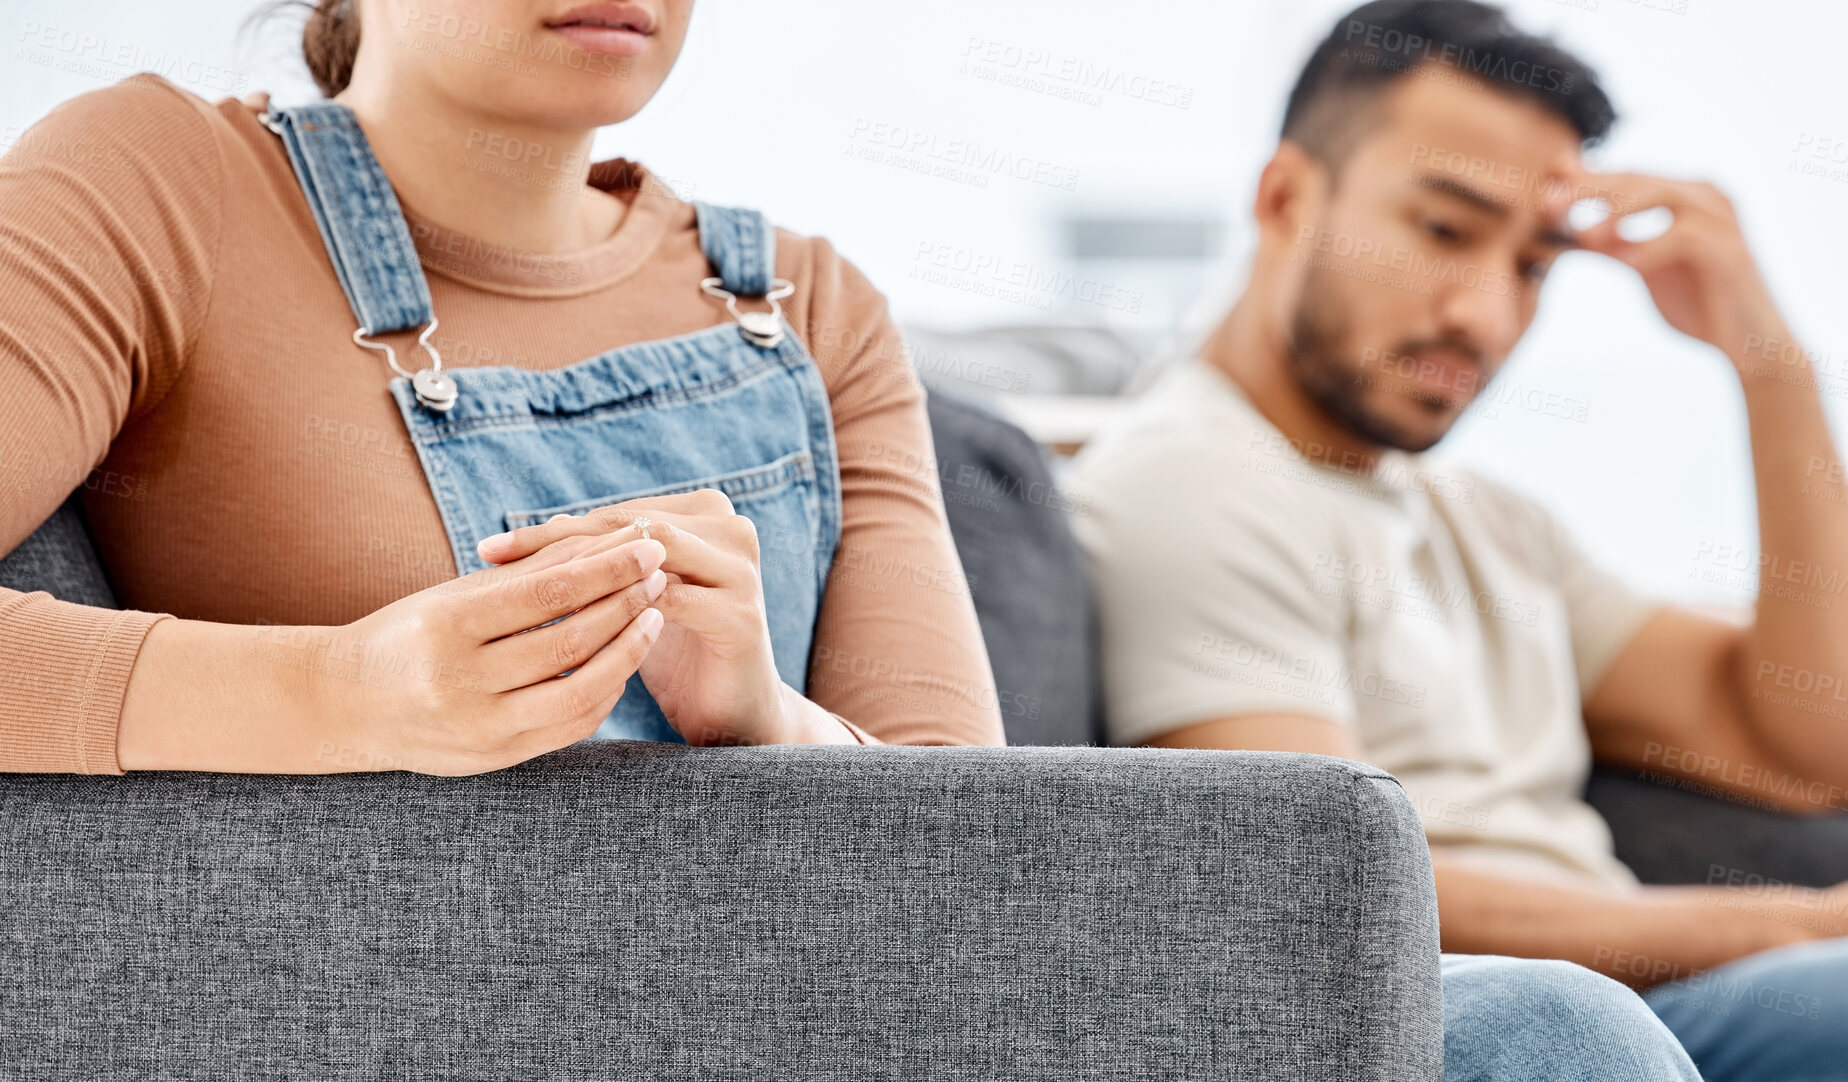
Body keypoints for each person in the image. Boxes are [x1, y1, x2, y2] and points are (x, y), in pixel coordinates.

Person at [1067, 0, 1848, 1077]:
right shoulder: (1188, 481)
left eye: (1533, 263)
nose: (1484, 314)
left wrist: (1772, 368)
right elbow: (1327, 882)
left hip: (1662, 1017)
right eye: (1443, 230)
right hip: (1470, 1022)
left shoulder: (1488, 521)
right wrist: (1803, 924)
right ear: (1287, 197)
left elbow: (1810, 745)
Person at [0, 0, 1005, 776]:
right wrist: (346, 692)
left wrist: (773, 723)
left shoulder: (814, 305)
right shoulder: (155, 185)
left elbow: (992, 842)